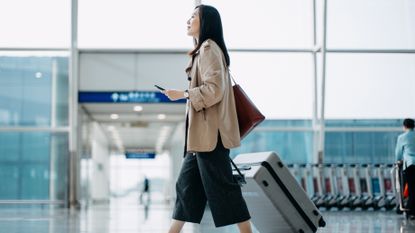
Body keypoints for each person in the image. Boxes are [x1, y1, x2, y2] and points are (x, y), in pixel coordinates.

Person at [162, 5, 253, 233]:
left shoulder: (209, 49)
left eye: (193, 16)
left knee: (223, 190)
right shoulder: (202, 50)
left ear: (206, 22)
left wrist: (182, 94)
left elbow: (214, 90)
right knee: (186, 189)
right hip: (201, 139)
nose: (188, 20)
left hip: (211, 137)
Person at [395, 118, 415, 219]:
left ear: (404, 126)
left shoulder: (402, 137)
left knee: (411, 187)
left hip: (410, 165)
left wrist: (398, 160)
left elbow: (398, 153)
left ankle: (410, 210)